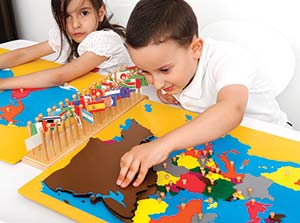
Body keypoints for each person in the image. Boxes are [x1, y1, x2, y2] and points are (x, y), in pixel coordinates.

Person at [116, 0, 291, 188]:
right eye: (146, 72)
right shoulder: (177, 68)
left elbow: (232, 109)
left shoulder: (230, 58)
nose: (156, 83)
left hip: (273, 141)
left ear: (196, 49)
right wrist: (169, 92)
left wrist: (163, 145)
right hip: (223, 145)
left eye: (165, 70)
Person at [0, 0, 132, 90]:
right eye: (67, 16)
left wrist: (3, 84)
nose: (75, 24)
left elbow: (60, 75)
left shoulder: (105, 40)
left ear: (100, 13)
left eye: (84, 13)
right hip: (89, 91)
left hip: (122, 98)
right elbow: (23, 54)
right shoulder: (68, 36)